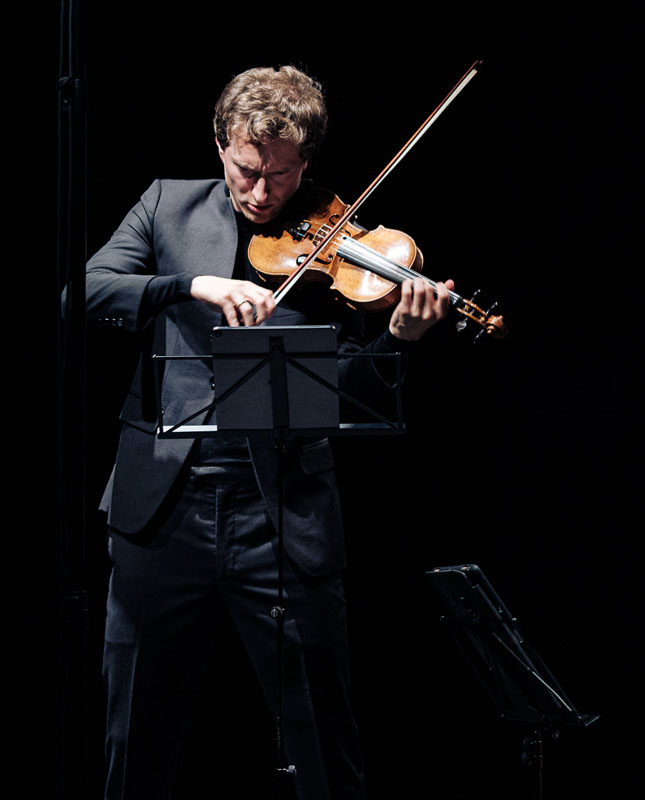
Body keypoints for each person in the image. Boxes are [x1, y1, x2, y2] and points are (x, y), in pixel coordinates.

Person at [87, 65, 453, 799]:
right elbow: (90, 289)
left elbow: (352, 385)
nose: (261, 194)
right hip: (162, 513)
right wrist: (192, 285)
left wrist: (397, 343)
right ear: (221, 144)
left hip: (281, 512)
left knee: (322, 732)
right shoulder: (167, 205)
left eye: (281, 177)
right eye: (247, 171)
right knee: (135, 734)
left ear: (306, 162)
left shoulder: (340, 243)